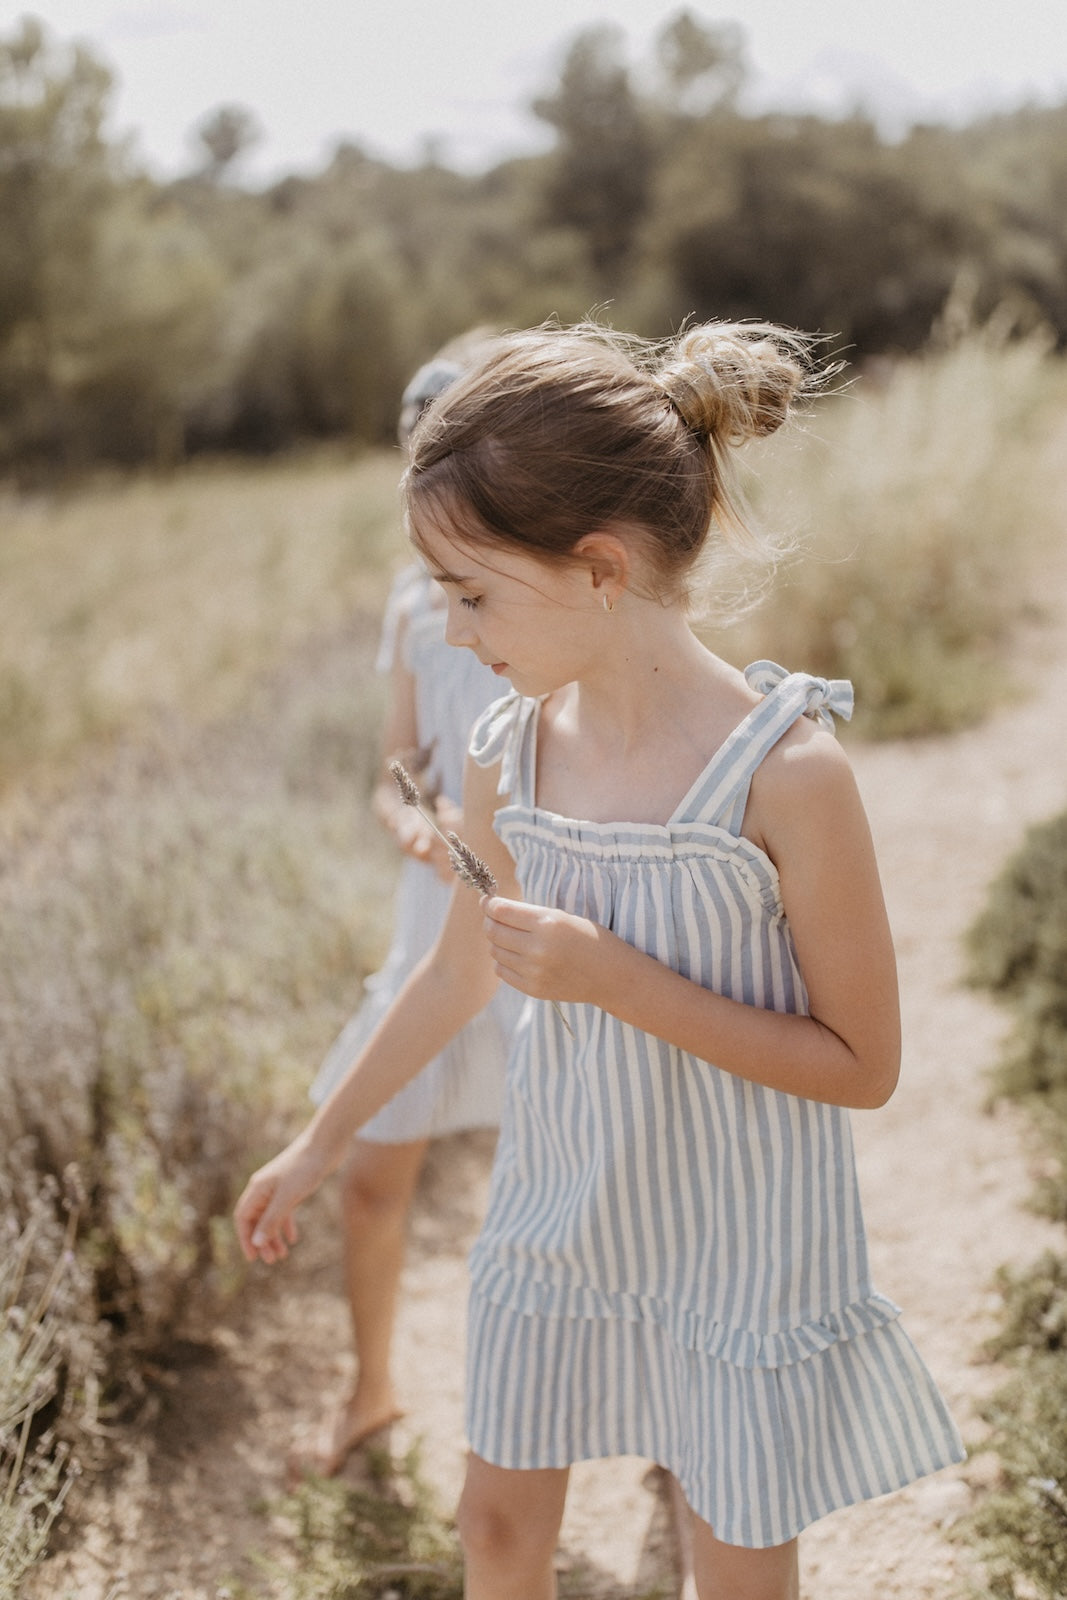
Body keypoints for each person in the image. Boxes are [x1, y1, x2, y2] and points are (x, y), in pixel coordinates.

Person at [236, 319, 964, 1599]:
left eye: (471, 592)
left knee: (731, 1566)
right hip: (557, 1218)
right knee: (497, 1532)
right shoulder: (502, 753)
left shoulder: (784, 776)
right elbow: (458, 976)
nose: (451, 634)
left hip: (737, 1246)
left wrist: (617, 979)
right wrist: (320, 1140)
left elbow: (862, 1066)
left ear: (597, 568)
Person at [292, 344, 521, 1476]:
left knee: (571, 1183)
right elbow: (398, 762)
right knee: (376, 1171)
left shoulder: (533, 595)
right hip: (429, 916)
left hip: (536, 918)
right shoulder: (409, 606)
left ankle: (655, 1421)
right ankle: (371, 1388)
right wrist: (414, 822)